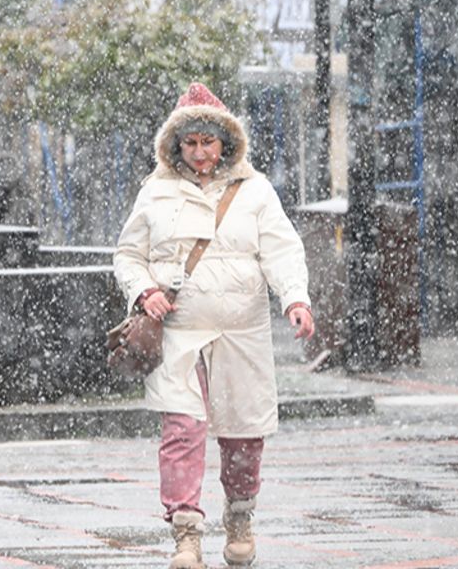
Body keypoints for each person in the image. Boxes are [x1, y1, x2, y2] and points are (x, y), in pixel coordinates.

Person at [113, 83, 315, 569]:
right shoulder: (155, 190)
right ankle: (186, 534)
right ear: (176, 146)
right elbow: (128, 254)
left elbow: (282, 249)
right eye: (191, 143)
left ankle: (240, 518)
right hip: (180, 333)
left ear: (225, 142)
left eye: (209, 142)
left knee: (244, 435)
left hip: (241, 333)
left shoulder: (256, 191)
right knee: (182, 430)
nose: (200, 152)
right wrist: (145, 291)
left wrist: (295, 299)